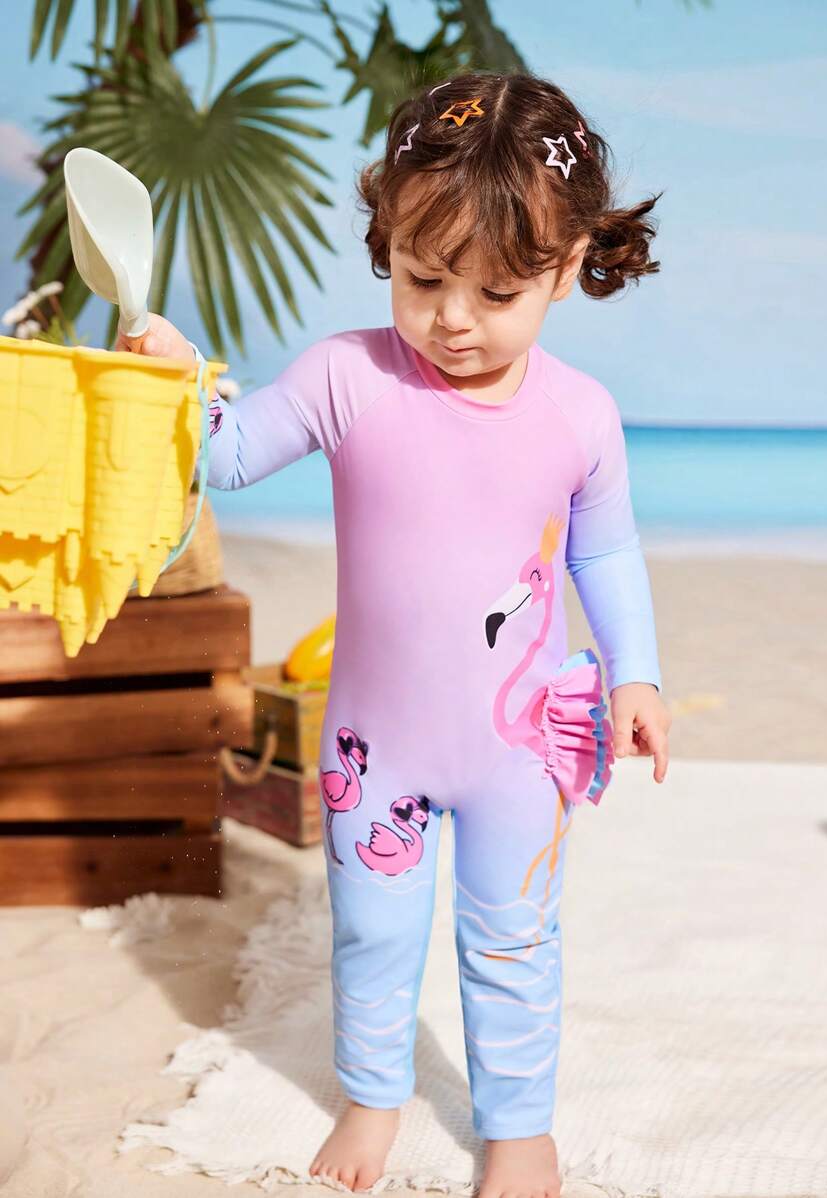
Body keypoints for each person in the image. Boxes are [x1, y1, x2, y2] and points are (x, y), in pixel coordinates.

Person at [123, 70, 672, 1198]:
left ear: (566, 267)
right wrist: (179, 381)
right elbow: (229, 454)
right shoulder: (347, 375)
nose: (453, 319)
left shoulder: (580, 416)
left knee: (514, 940)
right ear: (388, 242)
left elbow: (604, 555)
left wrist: (638, 676)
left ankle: (517, 1127)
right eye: (424, 279)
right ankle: (374, 1097)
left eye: (496, 291)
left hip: (521, 749)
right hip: (373, 747)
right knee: (371, 934)